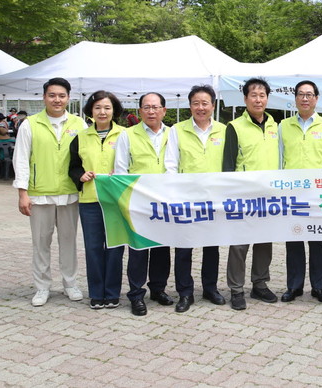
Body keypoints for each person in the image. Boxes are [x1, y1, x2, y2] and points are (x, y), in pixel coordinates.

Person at [13, 77, 86, 307]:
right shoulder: (30, 124)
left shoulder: (79, 124)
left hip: (69, 193)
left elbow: (86, 156)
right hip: (40, 194)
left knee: (69, 241)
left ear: (68, 98)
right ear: (44, 97)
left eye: (62, 95)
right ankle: (42, 287)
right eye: (52, 95)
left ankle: (70, 283)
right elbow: (21, 160)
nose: (57, 100)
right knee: (41, 242)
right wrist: (22, 193)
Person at [164, 85, 227, 311]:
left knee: (212, 248)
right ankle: (185, 292)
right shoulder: (177, 130)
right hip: (186, 199)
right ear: (190, 106)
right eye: (196, 103)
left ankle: (210, 288)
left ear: (213, 106)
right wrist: (174, 194)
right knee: (183, 248)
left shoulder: (224, 130)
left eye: (205, 103)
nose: (201, 107)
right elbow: (171, 164)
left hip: (214, 199)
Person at [114, 92, 174, 316]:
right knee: (138, 249)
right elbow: (120, 170)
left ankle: (158, 289)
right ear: (140, 111)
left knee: (161, 249)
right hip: (137, 201)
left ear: (164, 110)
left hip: (163, 201)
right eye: (146, 107)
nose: (151, 111)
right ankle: (136, 294)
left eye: (155, 107)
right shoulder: (127, 135)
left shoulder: (173, 133)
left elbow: (175, 165)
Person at [222, 78, 279, 310]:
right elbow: (228, 163)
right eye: (253, 95)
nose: (258, 99)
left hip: (269, 195)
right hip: (243, 195)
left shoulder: (276, 126)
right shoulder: (234, 126)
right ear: (245, 99)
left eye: (262, 95)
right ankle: (236, 289)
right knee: (239, 245)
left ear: (267, 98)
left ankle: (260, 284)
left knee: (264, 242)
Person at [279, 80, 322, 304]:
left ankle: (319, 287)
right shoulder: (284, 126)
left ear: (316, 99)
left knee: (317, 240)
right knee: (293, 239)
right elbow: (279, 158)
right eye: (301, 94)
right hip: (291, 193)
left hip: (316, 193)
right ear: (295, 98)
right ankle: (294, 286)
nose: (305, 98)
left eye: (309, 94)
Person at [68, 91, 126, 310]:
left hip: (116, 200)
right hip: (90, 200)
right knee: (93, 248)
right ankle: (96, 294)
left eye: (107, 108)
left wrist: (120, 173)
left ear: (114, 111)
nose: (102, 112)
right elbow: (73, 166)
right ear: (90, 111)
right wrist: (80, 176)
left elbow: (132, 163)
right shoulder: (81, 137)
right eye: (98, 108)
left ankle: (112, 293)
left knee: (115, 248)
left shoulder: (125, 135)